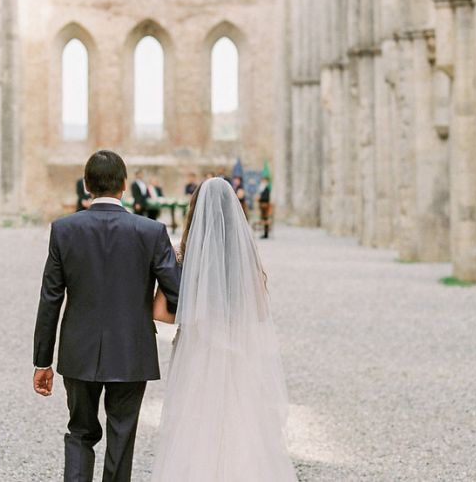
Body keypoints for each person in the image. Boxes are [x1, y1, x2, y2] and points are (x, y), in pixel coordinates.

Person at [33, 150, 181, 482]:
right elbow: (177, 291)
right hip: (132, 350)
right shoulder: (150, 232)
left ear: (87, 185)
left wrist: (42, 360)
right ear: (125, 186)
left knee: (80, 432)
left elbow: (50, 299)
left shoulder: (63, 230)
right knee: (122, 435)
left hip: (78, 350)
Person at [150, 178, 296, 481]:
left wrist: (192, 312)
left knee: (196, 423)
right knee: (240, 421)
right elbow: (260, 311)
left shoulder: (183, 254)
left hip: (198, 352)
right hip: (238, 352)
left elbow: (160, 312)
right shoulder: (246, 255)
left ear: (195, 209)